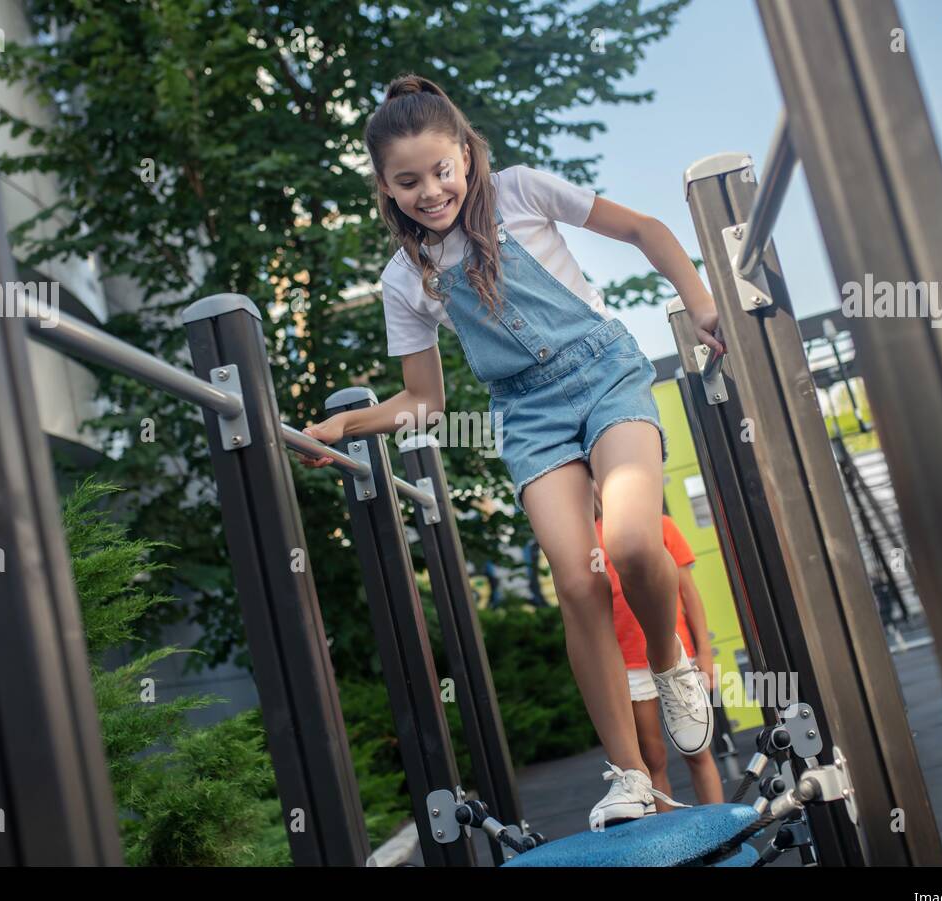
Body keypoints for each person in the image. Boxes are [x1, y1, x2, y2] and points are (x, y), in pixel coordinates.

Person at [296, 74, 723, 829]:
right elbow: (425, 401)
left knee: (627, 539)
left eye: (441, 171)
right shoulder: (406, 278)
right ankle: (627, 773)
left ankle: (670, 662)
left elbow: (645, 231)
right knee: (575, 581)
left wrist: (702, 302)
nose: (430, 191)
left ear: (465, 153)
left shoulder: (524, 192)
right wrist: (344, 428)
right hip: (527, 415)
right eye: (408, 182)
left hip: (604, 372)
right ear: (386, 189)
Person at [592, 478, 725, 810]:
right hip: (630, 665)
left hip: (676, 657)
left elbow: (689, 595)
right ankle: (672, 845)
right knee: (653, 758)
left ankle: (722, 830)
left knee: (697, 749)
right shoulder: (589, 540)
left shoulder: (660, 525)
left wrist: (705, 654)